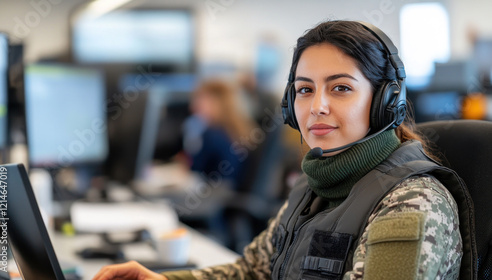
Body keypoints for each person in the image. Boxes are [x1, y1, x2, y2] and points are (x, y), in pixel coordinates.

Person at [93, 20, 474, 280]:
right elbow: (251, 272)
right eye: (305, 89)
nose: (317, 106)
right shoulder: (314, 184)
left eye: (340, 88)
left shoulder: (412, 202)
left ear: (384, 102)